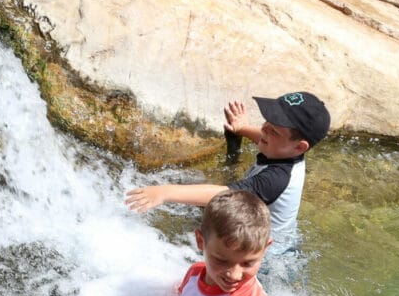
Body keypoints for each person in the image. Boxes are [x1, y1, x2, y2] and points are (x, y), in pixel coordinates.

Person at [125, 91, 330, 238]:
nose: (264, 129)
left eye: (273, 131)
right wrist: (242, 128)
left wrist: (165, 193)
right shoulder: (284, 149)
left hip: (265, 255)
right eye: (266, 121)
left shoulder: (276, 180)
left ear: (299, 147)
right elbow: (264, 137)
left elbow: (225, 194)